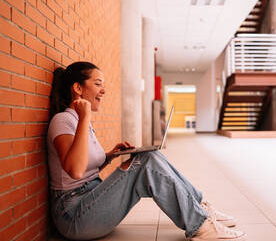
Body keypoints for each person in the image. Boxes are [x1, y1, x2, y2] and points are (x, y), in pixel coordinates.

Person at [47, 61, 247, 240]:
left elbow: (85, 165)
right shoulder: (63, 121)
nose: (103, 90)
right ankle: (201, 226)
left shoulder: (80, 122)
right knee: (146, 162)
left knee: (148, 155)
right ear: (77, 88)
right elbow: (75, 170)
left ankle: (199, 207)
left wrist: (110, 155)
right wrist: (85, 117)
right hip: (74, 217)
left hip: (92, 198)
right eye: (98, 84)